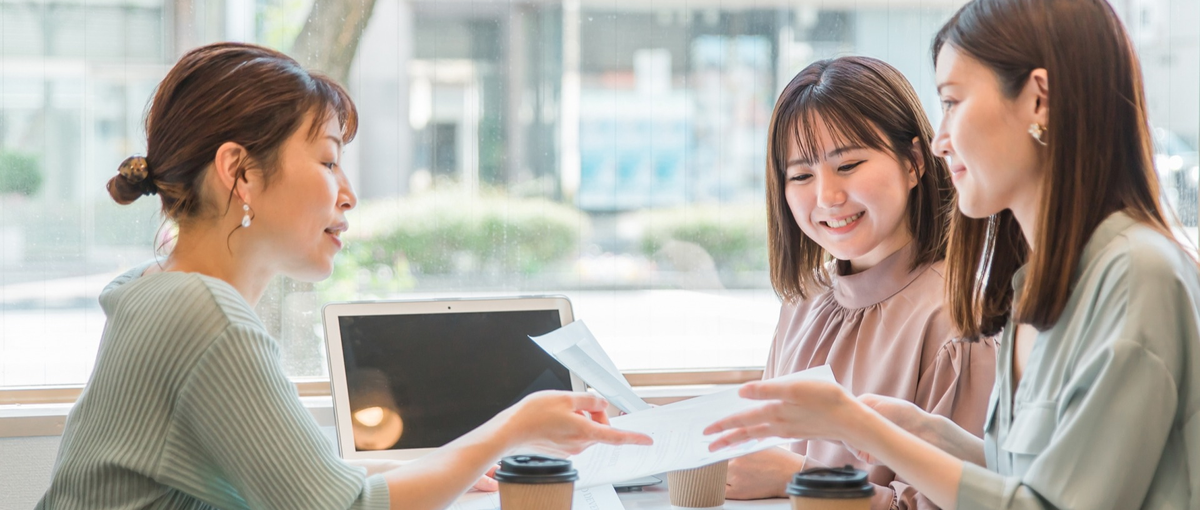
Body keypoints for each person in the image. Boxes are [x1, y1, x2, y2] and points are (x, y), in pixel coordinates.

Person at [36, 42, 651, 510]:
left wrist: (455, 461)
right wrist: (510, 430)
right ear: (240, 172)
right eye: (328, 159)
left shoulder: (157, 289)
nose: (349, 194)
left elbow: (317, 485)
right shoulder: (201, 313)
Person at [705, 0, 1200, 508]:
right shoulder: (1034, 284)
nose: (940, 141)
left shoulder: (1138, 275)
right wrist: (921, 431)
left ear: (1037, 100)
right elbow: (1025, 478)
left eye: (952, 102)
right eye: (801, 175)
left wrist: (857, 430)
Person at [723, 56, 995, 509]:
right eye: (802, 175)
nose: (827, 197)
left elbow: (956, 503)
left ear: (913, 162)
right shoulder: (805, 301)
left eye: (848, 166)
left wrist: (800, 478)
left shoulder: (958, 322)